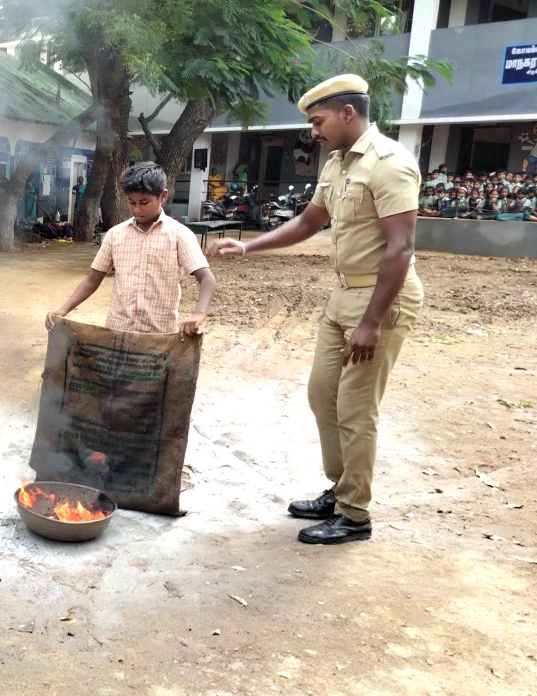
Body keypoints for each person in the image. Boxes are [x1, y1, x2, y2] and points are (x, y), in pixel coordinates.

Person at [208, 74, 423, 545]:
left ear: (348, 113)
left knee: (356, 410)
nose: (314, 132)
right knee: (322, 394)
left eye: (318, 121)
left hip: (381, 300)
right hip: (343, 295)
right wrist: (250, 248)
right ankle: (340, 487)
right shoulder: (337, 163)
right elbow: (310, 221)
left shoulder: (390, 163)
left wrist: (370, 323)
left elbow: (401, 249)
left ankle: (355, 515)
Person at [46, 162, 216, 339]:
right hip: (118, 332)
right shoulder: (115, 235)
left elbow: (207, 279)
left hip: (159, 336)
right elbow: (91, 281)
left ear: (163, 196)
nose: (137, 209)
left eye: (144, 202)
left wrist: (199, 314)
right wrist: (63, 310)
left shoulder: (180, 235)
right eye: (131, 202)